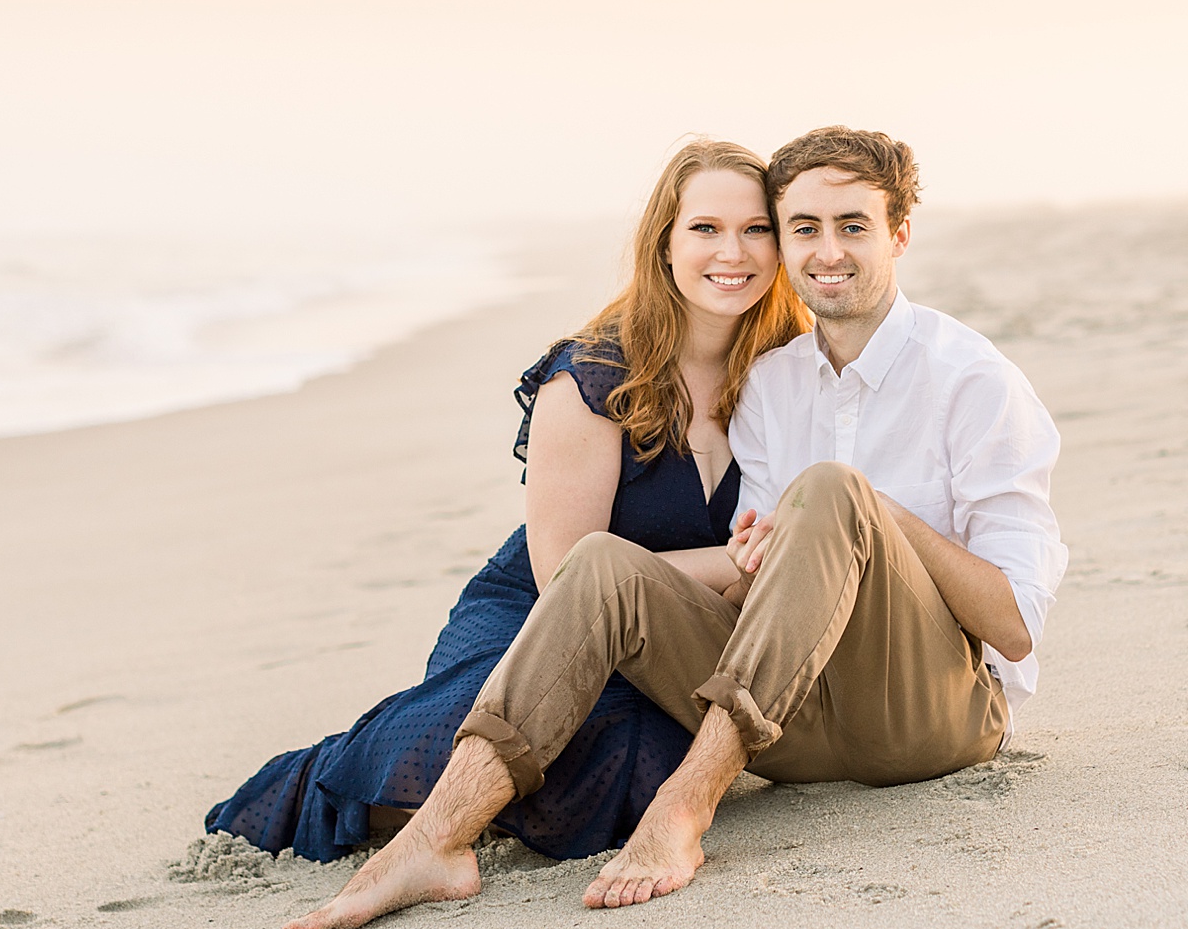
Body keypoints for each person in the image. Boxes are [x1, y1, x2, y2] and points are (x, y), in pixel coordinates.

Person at [284, 126, 1066, 929]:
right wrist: (770, 558)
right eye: (804, 227)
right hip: (792, 723)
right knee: (600, 563)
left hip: (933, 718)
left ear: (898, 233)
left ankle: (682, 811)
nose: (828, 250)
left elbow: (1014, 627)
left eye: (853, 225)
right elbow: (753, 585)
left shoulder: (975, 382)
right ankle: (434, 842)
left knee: (835, 490)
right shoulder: (772, 382)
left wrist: (878, 518)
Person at [205, 139, 809, 864]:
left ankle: (504, 811)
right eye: (705, 228)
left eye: (755, 229)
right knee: (512, 739)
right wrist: (744, 559)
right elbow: (565, 575)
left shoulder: (791, 371)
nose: (732, 252)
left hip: (668, 643)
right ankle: (323, 791)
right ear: (664, 244)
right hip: (534, 616)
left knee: (643, 758)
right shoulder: (593, 375)